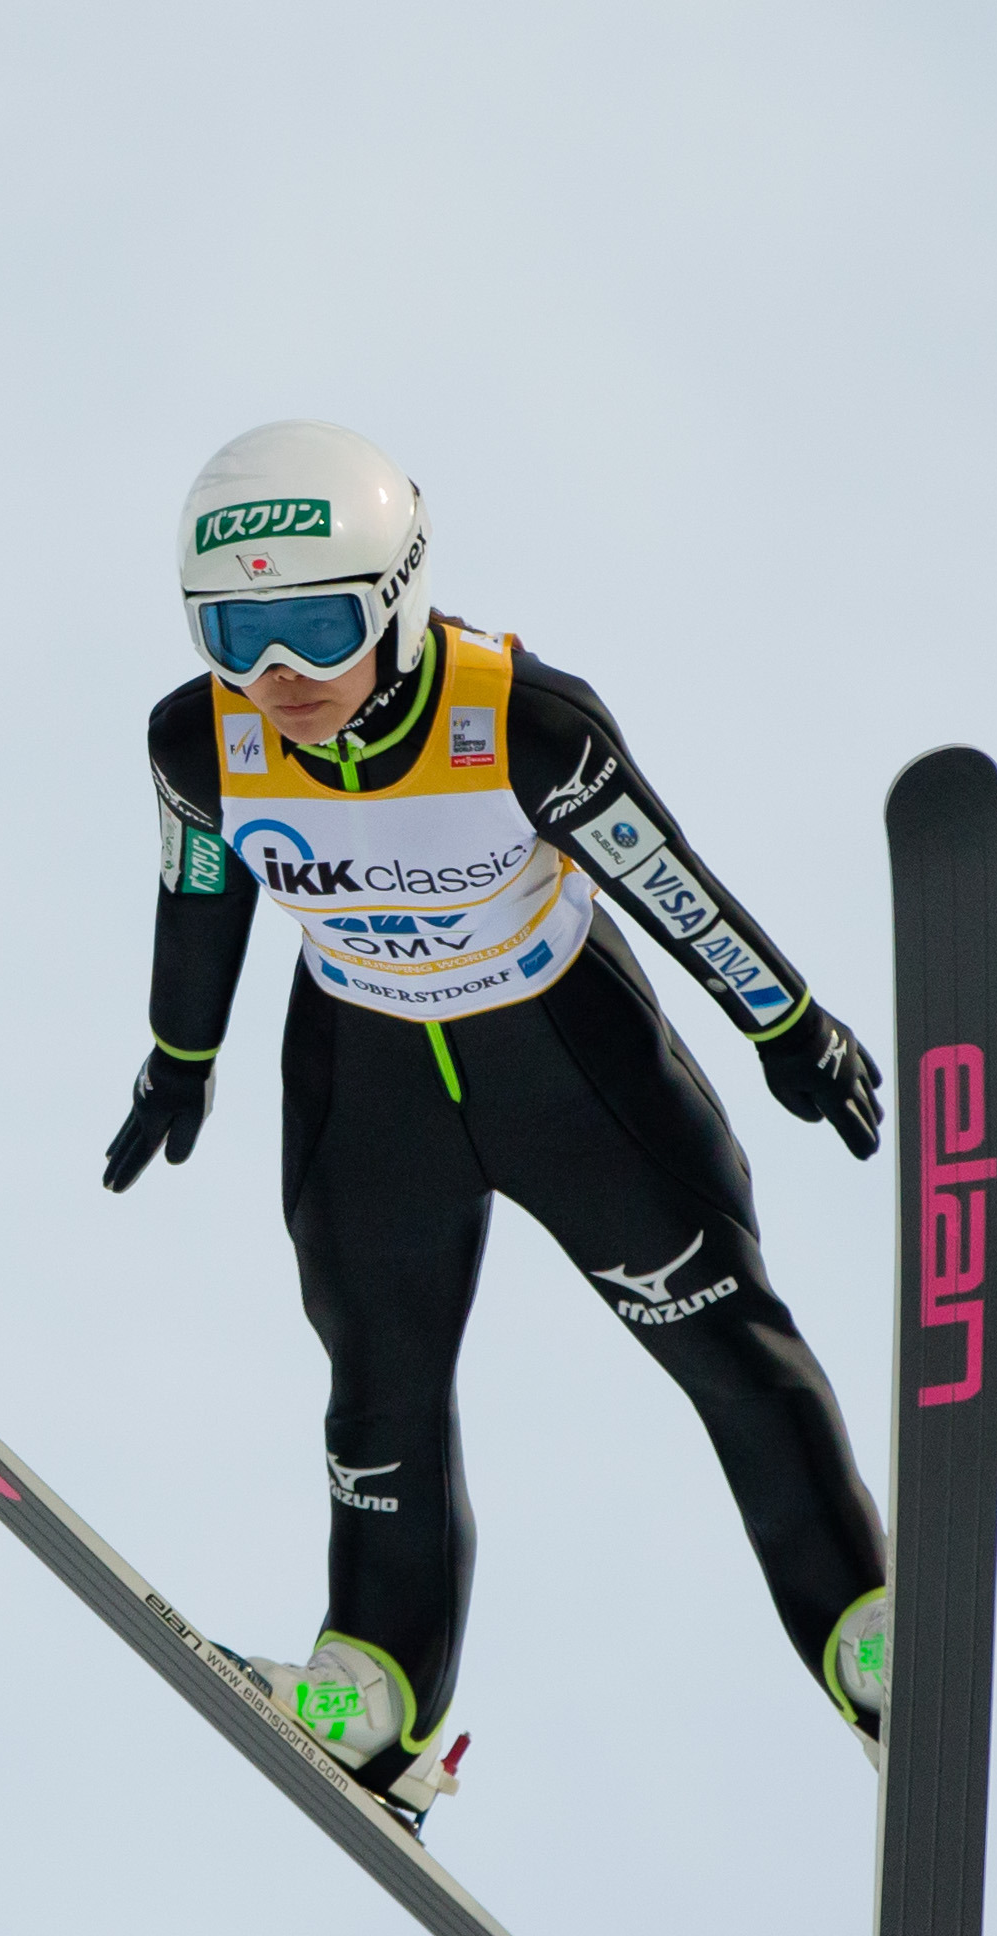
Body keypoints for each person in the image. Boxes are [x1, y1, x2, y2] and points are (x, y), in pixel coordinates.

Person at [104, 419, 889, 1817]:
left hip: (567, 1068)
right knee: (375, 1397)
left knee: (726, 1352)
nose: (274, 677)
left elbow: (671, 879)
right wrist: (178, 1058)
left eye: (313, 628)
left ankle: (868, 1642)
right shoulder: (196, 739)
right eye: (235, 634)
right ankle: (376, 1695)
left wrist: (788, 1024)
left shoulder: (525, 718)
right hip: (366, 1091)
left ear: (397, 598)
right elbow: (201, 895)